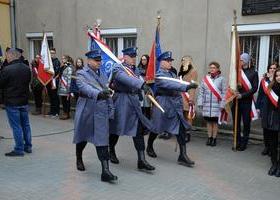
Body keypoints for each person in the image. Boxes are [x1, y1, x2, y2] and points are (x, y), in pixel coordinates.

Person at [146, 51, 198, 167]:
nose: (170, 63)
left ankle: (183, 155)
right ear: (162, 62)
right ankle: (149, 146)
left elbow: (176, 85)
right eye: (168, 61)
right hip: (162, 104)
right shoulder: (159, 75)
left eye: (171, 61)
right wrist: (187, 86)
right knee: (156, 128)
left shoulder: (172, 74)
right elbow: (171, 85)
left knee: (181, 130)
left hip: (174, 105)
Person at [73, 49, 117, 182]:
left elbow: (107, 93)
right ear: (89, 60)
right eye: (96, 60)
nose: (99, 63)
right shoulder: (81, 73)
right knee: (82, 137)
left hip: (101, 111)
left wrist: (111, 108)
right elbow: (84, 88)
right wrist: (98, 94)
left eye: (100, 60)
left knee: (102, 140)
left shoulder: (102, 75)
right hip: (86, 109)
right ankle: (79, 157)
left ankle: (105, 171)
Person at [109, 47, 155, 171]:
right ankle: (111, 150)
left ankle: (142, 160)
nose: (134, 59)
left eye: (135, 56)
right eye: (131, 57)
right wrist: (141, 85)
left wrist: (147, 87)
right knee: (116, 129)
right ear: (125, 57)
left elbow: (139, 80)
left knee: (138, 131)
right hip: (121, 102)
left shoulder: (136, 70)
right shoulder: (118, 68)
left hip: (134, 103)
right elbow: (125, 79)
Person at [0, 48, 32, 156]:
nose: (6, 58)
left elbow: (1, 84)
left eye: (7, 56)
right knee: (26, 125)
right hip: (24, 100)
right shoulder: (27, 68)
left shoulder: (7, 69)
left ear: (12, 55)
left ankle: (19, 149)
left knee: (16, 126)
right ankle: (28, 146)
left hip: (12, 102)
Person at [231, 53, 259, 151]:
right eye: (239, 60)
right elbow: (231, 85)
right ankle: (237, 141)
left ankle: (244, 142)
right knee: (236, 123)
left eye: (242, 60)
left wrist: (242, 95)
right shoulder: (237, 72)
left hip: (246, 102)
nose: (240, 62)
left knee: (246, 123)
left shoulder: (253, 72)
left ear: (246, 61)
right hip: (236, 102)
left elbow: (255, 88)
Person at [197, 61, 226, 146]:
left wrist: (222, 104)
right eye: (211, 68)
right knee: (209, 122)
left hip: (216, 105)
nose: (212, 69)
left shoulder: (222, 79)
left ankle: (214, 138)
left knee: (215, 123)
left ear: (217, 69)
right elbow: (201, 92)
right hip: (207, 104)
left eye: (214, 68)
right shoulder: (205, 79)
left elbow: (224, 93)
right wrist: (200, 102)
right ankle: (209, 138)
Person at [258, 68, 280, 177]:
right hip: (272, 120)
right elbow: (266, 105)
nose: (278, 78)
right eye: (277, 76)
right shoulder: (270, 88)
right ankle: (274, 164)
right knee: (273, 144)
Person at [256, 62, 278, 156]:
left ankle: (273, 149)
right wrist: (258, 107)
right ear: (268, 69)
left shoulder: (277, 80)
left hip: (274, 108)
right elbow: (260, 94)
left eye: (274, 68)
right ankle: (267, 147)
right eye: (271, 68)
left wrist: (272, 80)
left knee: (273, 129)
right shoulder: (264, 81)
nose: (272, 69)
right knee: (265, 128)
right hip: (265, 107)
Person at [178, 55, 198, 142]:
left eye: (185, 60)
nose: (183, 62)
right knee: (181, 115)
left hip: (188, 96)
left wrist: (191, 99)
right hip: (180, 96)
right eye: (182, 60)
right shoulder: (181, 71)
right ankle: (181, 132)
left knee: (188, 116)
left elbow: (193, 86)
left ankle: (187, 133)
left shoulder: (193, 71)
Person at [137, 54, 151, 135]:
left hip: (147, 91)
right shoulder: (138, 69)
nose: (143, 61)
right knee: (141, 110)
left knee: (147, 110)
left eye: (145, 59)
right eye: (142, 59)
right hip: (140, 91)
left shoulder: (150, 70)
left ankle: (147, 127)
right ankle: (142, 126)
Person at [46, 48, 60, 117]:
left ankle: (56, 111)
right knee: (51, 97)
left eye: (53, 53)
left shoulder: (57, 61)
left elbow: (56, 71)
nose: (52, 54)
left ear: (55, 53)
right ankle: (52, 111)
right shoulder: (48, 61)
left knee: (55, 97)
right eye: (50, 53)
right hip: (48, 81)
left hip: (54, 81)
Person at [58, 55, 73, 120]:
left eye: (63, 58)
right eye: (62, 58)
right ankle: (64, 112)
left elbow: (69, 78)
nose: (62, 59)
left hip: (66, 87)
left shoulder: (69, 67)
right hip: (62, 86)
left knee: (67, 101)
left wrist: (69, 89)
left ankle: (67, 113)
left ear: (67, 59)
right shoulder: (63, 66)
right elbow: (60, 75)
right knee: (63, 101)